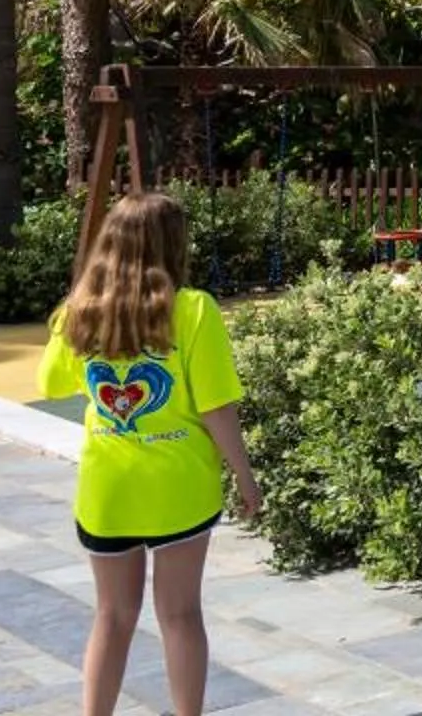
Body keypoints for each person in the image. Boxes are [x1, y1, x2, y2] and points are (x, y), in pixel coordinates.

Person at [39, 192, 261, 716]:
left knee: (112, 616)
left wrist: (78, 319)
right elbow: (216, 408)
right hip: (180, 490)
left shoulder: (77, 314)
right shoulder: (194, 310)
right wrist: (245, 477)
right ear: (173, 245)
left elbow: (49, 384)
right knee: (180, 615)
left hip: (107, 493)